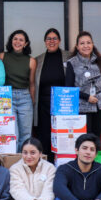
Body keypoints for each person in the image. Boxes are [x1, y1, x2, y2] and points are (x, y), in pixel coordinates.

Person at [65, 31, 101, 138]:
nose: (86, 46)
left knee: (97, 137)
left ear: (92, 45)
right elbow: (69, 88)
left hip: (99, 106)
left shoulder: (99, 60)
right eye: (82, 43)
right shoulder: (72, 63)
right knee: (85, 139)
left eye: (88, 43)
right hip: (82, 107)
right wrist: (87, 97)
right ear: (77, 46)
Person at [34, 28, 69, 162]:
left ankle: (61, 165)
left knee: (63, 136)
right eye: (49, 39)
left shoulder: (69, 56)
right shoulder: (38, 60)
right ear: (45, 41)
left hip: (63, 104)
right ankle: (46, 165)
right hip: (43, 105)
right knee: (45, 136)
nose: (51, 41)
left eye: (54, 38)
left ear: (59, 40)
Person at [0, 29, 35, 150]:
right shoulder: (2, 56)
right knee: (11, 133)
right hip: (7, 97)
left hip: (25, 98)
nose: (17, 42)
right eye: (15, 39)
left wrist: (32, 101)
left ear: (26, 43)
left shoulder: (31, 61)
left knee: (26, 134)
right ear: (11, 41)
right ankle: (13, 159)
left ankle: (24, 159)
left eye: (21, 40)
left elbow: (32, 84)